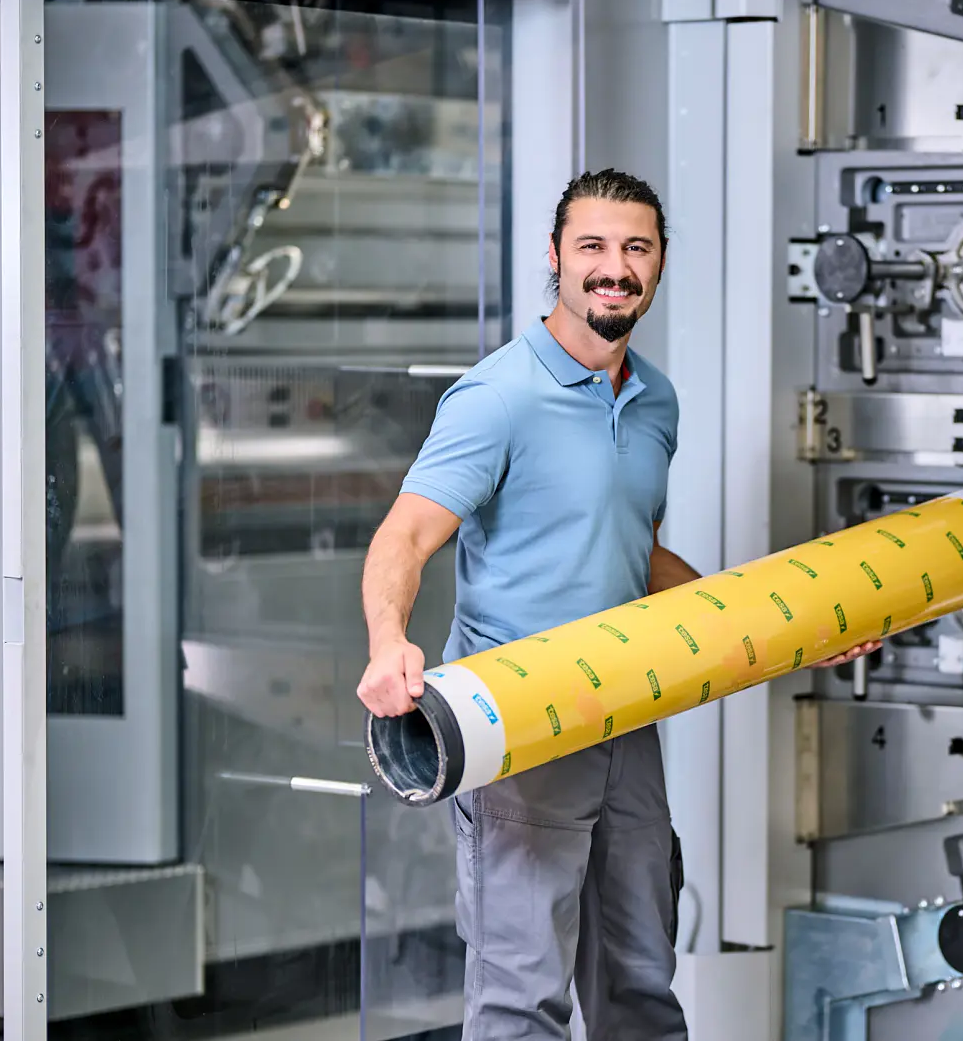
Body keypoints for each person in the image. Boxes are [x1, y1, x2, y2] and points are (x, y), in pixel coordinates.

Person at [356, 168, 880, 1040]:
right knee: (522, 999)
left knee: (641, 980)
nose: (614, 266)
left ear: (660, 263)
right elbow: (405, 537)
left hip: (628, 712)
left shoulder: (654, 399)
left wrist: (781, 630)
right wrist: (387, 642)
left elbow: (636, 554)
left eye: (635, 247)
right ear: (556, 258)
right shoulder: (498, 397)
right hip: (519, 720)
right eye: (593, 247)